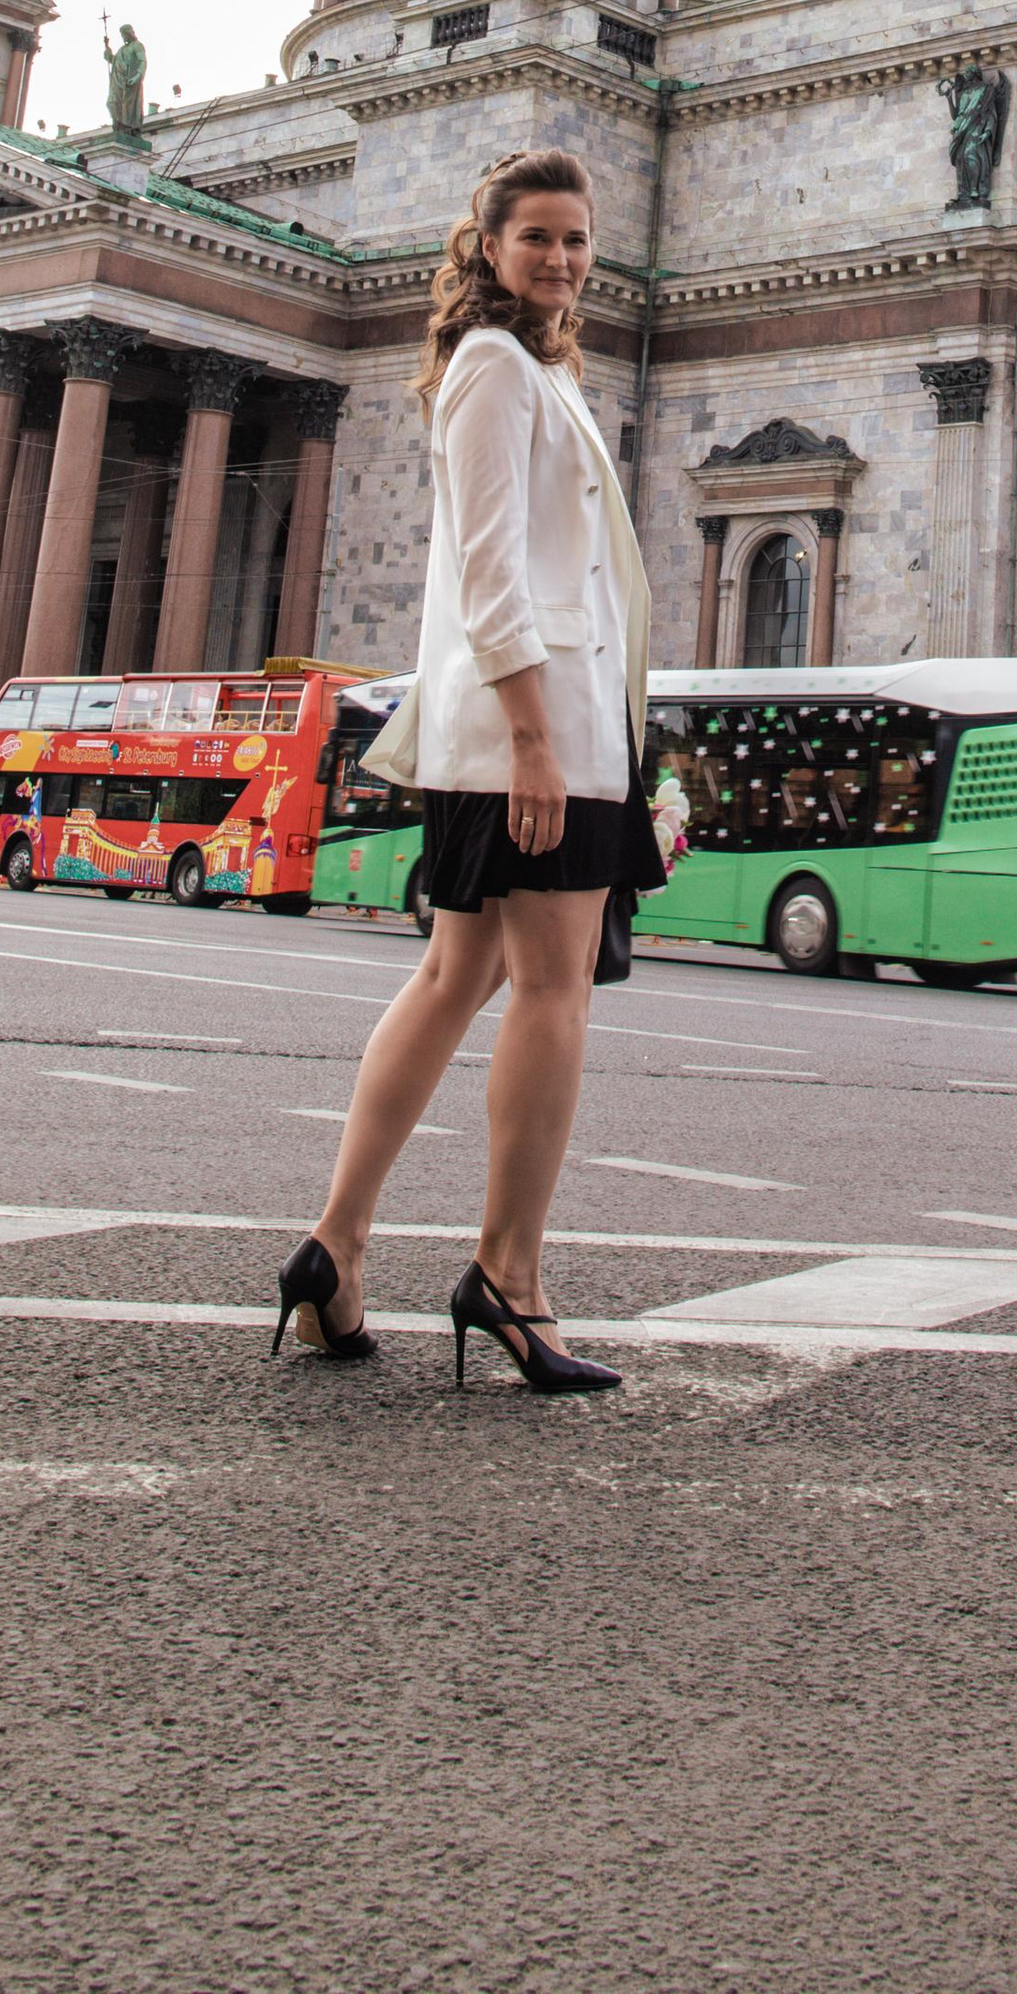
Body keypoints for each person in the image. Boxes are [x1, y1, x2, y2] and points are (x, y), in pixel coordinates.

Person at [274, 146, 657, 1392]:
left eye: (577, 238)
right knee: (551, 994)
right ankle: (510, 1279)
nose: (560, 258)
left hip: (536, 725)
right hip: (529, 733)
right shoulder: (495, 369)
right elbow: (491, 568)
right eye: (537, 236)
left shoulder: (531, 368)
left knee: (454, 975)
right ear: (486, 247)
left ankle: (335, 1248)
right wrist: (543, 742)